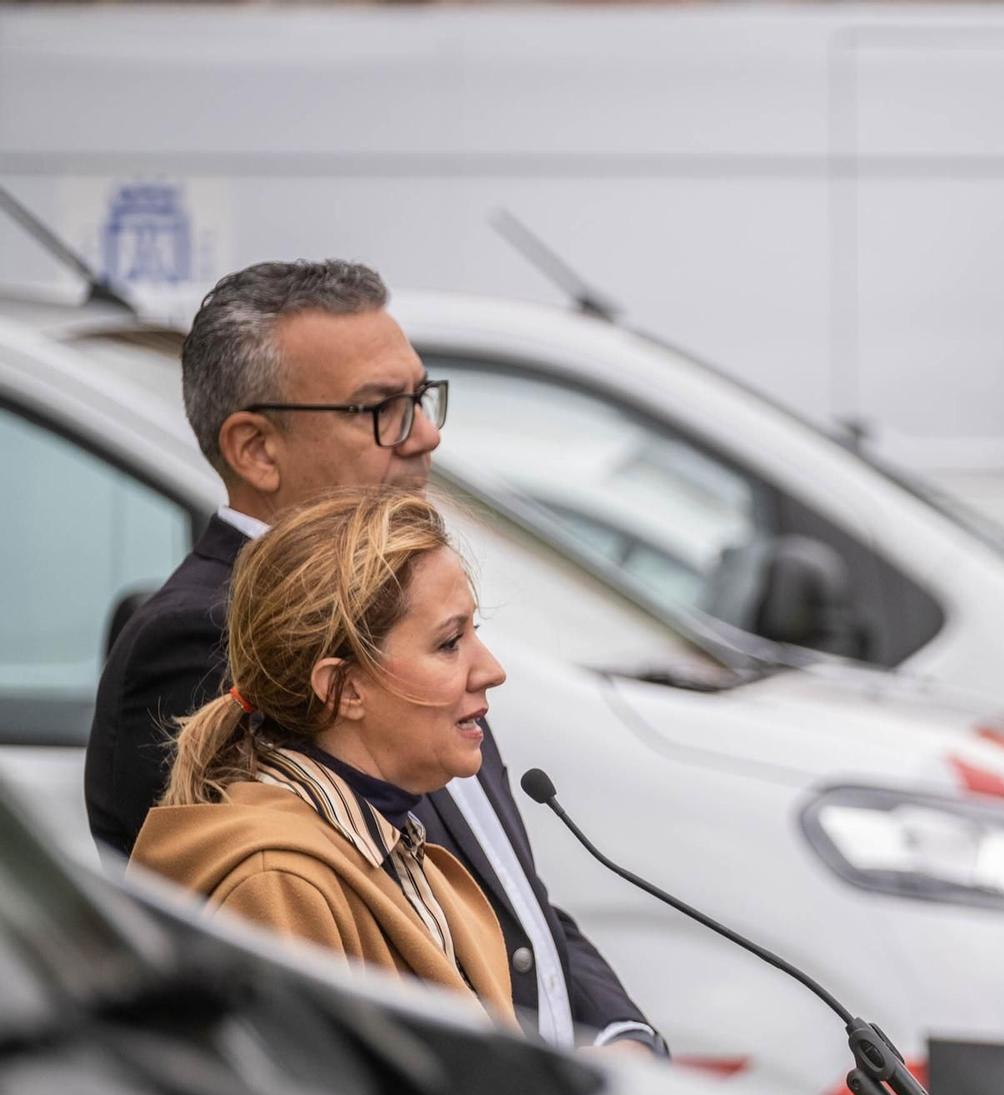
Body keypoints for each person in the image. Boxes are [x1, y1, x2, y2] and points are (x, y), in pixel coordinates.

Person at [86, 259, 663, 1054]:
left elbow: (511, 902)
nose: (425, 433)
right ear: (255, 447)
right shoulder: (208, 636)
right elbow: (277, 999)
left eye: (420, 398)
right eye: (380, 409)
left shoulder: (403, 598)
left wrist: (615, 1037)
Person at [133, 492, 518, 1023]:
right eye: (450, 643)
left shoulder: (385, 840)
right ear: (344, 688)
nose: (491, 668)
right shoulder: (277, 886)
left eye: (475, 632)